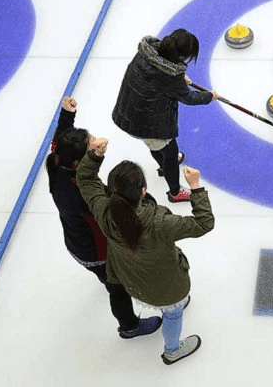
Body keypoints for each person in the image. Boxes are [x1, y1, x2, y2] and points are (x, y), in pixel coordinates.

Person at [76, 138, 215, 365]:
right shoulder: (160, 223)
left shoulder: (103, 211)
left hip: (132, 281)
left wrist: (94, 157)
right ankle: (172, 350)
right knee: (173, 314)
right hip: (167, 289)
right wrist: (196, 187)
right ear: (144, 190)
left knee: (170, 307)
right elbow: (204, 223)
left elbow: (85, 179)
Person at [46, 96, 161, 339]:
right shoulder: (82, 194)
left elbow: (61, 140)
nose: (98, 143)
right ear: (79, 163)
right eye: (92, 147)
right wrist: (139, 202)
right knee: (117, 287)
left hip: (76, 242)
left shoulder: (58, 161)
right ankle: (129, 326)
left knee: (107, 278)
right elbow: (111, 217)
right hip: (96, 252)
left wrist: (67, 114)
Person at [112, 28, 214, 203]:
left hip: (129, 113)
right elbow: (189, 97)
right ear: (182, 56)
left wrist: (179, 76)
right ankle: (175, 192)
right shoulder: (170, 76)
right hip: (148, 124)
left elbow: (155, 78)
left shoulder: (146, 54)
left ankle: (164, 164)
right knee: (169, 152)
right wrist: (210, 96)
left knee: (160, 148)